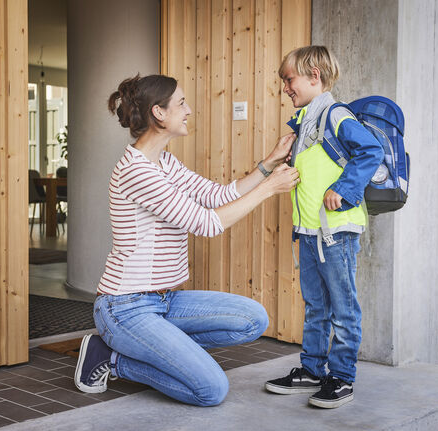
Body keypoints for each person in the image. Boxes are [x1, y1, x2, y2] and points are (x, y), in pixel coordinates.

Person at [74, 74, 299, 407]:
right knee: (210, 390)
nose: (188, 110)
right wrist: (269, 189)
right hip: (125, 309)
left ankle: (163, 348)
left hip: (166, 302)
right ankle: (111, 359)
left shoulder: (164, 162)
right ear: (159, 113)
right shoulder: (136, 171)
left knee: (254, 319)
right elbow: (206, 223)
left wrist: (269, 163)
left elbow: (216, 195)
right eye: (181, 103)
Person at [264, 46, 384, 408]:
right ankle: (312, 370)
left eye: (289, 79)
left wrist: (343, 190)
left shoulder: (335, 115)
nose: (285, 86)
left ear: (314, 76)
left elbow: (371, 150)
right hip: (310, 232)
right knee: (316, 306)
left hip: (337, 231)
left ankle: (342, 377)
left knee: (343, 308)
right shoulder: (304, 121)